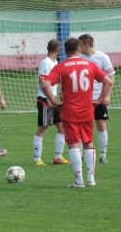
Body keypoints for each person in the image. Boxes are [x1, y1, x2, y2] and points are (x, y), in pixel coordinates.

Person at [41, 37, 112, 188]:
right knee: (88, 143)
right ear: (79, 50)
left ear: (65, 51)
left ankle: (79, 181)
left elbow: (45, 84)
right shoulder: (91, 64)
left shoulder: (61, 66)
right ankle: (91, 179)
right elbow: (108, 81)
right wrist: (99, 100)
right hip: (87, 110)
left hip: (69, 111)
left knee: (73, 145)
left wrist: (54, 101)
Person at [78, 34, 115, 164]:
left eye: (80, 45)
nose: (79, 47)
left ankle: (103, 155)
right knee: (81, 127)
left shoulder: (103, 57)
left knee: (101, 124)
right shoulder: (79, 58)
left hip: (99, 98)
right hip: (83, 99)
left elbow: (111, 77)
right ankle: (79, 155)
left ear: (86, 45)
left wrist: (108, 95)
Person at [33, 39, 70, 166]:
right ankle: (36, 158)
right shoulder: (46, 63)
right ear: (58, 50)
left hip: (54, 100)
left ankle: (58, 157)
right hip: (45, 99)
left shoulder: (55, 63)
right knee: (43, 128)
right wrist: (49, 99)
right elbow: (42, 81)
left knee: (62, 127)